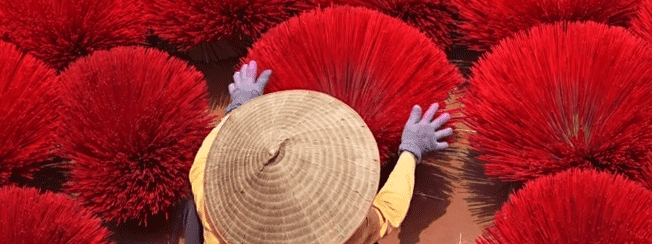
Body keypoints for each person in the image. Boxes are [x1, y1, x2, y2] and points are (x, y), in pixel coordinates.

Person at [182, 61, 452, 244]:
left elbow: (218, 142)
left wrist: (241, 108)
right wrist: (410, 151)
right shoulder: (343, 234)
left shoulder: (205, 178)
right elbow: (386, 214)